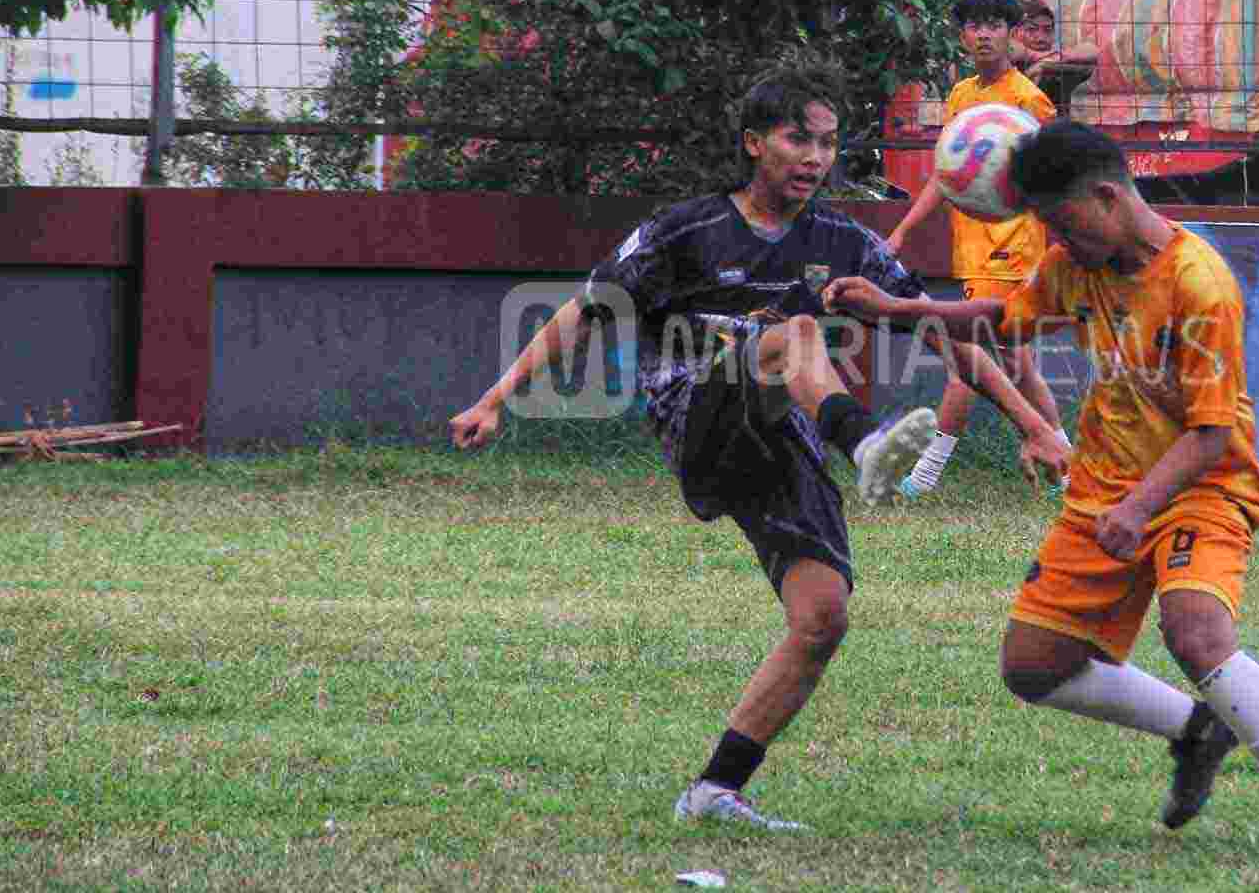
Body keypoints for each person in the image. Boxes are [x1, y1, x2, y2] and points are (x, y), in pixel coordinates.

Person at [450, 62, 1070, 832]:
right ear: (753, 144)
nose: (814, 158)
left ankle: (716, 787)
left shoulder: (842, 239)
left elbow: (938, 326)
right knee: (797, 334)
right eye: (796, 139)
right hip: (699, 416)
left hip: (783, 437)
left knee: (823, 618)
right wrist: (494, 397)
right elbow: (584, 311)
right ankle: (867, 443)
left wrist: (1034, 425)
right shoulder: (687, 229)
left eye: (828, 143)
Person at [824, 120, 1259, 869]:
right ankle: (1195, 730)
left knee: (1197, 634)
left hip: (1200, 488)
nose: (1055, 238)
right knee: (1032, 665)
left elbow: (1210, 435)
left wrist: (1140, 508)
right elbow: (1003, 316)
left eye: (1061, 220)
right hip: (1104, 489)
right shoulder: (1079, 260)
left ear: (1109, 196)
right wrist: (898, 313)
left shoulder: (1197, 283)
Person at [886, 0, 1068, 498]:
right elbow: (948, 177)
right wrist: (902, 231)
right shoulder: (962, 97)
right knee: (1016, 366)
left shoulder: (1027, 99)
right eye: (974, 25)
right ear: (963, 35)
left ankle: (923, 478)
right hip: (971, 249)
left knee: (968, 359)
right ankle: (1069, 469)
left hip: (1011, 249)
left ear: (1012, 34)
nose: (984, 34)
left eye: (995, 24)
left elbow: (1056, 171)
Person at [1011, 0, 1099, 113]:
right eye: (1031, 29)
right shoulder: (1003, 54)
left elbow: (1093, 50)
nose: (1041, 38)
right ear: (1014, 31)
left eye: (1047, 30)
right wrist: (1042, 59)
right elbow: (1011, 50)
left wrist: (1050, 61)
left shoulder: (1055, 59)